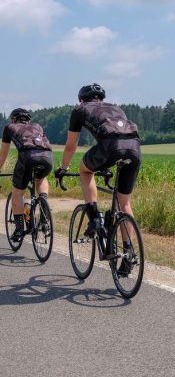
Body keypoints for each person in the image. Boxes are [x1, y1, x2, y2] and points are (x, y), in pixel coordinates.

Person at [54, 83, 141, 274]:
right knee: (124, 203)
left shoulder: (80, 109)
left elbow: (71, 145)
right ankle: (128, 254)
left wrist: (63, 168)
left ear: (81, 99)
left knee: (85, 171)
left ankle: (94, 218)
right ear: (101, 98)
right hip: (134, 148)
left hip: (110, 147)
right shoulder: (116, 108)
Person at [0, 108, 53, 241]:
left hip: (27, 157)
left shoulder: (9, 127)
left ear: (14, 119)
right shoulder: (38, 126)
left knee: (17, 193)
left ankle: (19, 230)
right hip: (47, 157)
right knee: (41, 178)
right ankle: (44, 205)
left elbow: (3, 155)